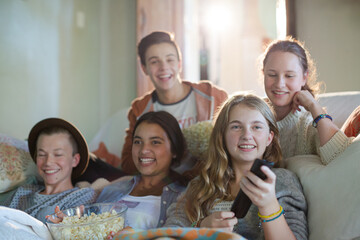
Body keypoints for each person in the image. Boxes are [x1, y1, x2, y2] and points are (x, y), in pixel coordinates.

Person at [164, 93, 308, 240]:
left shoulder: (284, 181)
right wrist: (201, 228)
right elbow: (168, 234)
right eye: (236, 127)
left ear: (269, 138)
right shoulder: (200, 185)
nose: (246, 135)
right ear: (222, 136)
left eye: (256, 127)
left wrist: (268, 204)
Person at [118, 31, 228, 174]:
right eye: (154, 61)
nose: (163, 67)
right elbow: (127, 164)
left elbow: (231, 145)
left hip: (209, 181)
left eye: (169, 60)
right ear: (144, 68)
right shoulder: (139, 110)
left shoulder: (213, 97)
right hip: (164, 186)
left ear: (179, 63)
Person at [260, 37, 353, 165]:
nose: (280, 84)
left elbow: (340, 158)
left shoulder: (309, 124)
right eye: (272, 75)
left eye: (289, 76)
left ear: (304, 77)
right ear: (263, 74)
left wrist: (313, 105)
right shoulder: (252, 113)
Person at [96, 111, 188, 230]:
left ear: (174, 149)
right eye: (138, 142)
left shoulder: (183, 197)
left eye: (155, 142)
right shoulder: (114, 188)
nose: (144, 150)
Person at [2, 118, 97, 223]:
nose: (48, 162)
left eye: (58, 154)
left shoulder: (82, 196)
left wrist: (69, 225)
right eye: (42, 155)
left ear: (75, 160)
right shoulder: (22, 192)